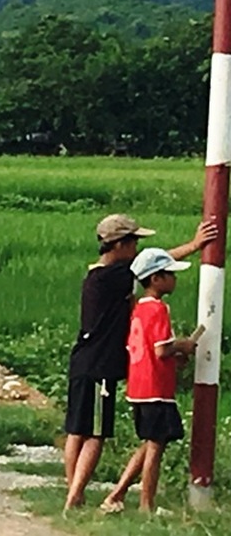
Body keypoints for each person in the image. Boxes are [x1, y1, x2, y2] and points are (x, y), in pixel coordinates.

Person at [63, 213, 216, 511]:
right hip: (99, 367)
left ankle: (74, 491)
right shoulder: (117, 276)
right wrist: (195, 245)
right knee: (95, 433)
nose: (136, 248)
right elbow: (155, 263)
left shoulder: (95, 275)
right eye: (133, 242)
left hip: (83, 360)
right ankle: (75, 497)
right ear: (118, 245)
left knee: (76, 431)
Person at [100, 248, 197, 514]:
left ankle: (117, 494)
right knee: (156, 446)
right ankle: (146, 505)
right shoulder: (158, 309)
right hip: (156, 388)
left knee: (151, 442)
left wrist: (174, 354)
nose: (174, 280)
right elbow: (161, 350)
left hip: (139, 386)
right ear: (156, 279)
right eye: (170, 275)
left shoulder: (138, 309)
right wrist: (184, 345)